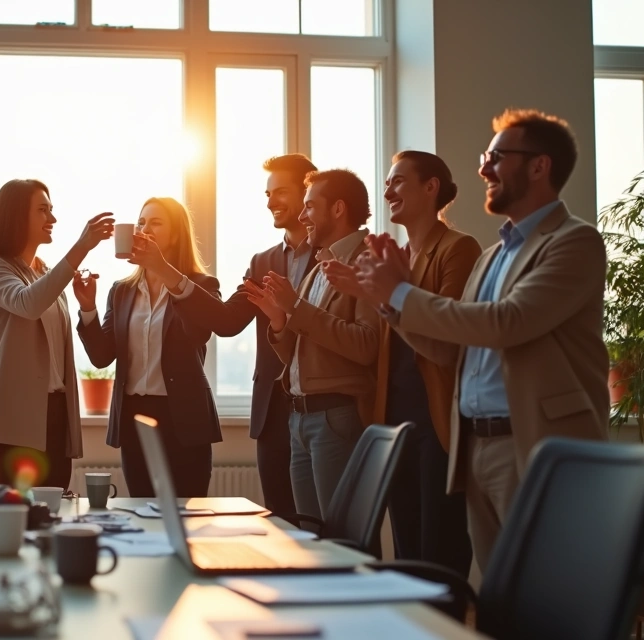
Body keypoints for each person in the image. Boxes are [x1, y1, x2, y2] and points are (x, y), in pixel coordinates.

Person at [349, 109, 608, 569]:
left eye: (496, 157)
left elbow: (507, 322)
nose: (484, 169)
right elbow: (450, 349)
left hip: (532, 443)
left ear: (539, 166)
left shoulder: (574, 241)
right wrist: (390, 305)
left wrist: (400, 293)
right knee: (497, 595)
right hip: (475, 446)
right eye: (485, 158)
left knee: (544, 586)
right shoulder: (492, 256)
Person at [323, 151, 479, 576]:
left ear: (431, 187)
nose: (388, 191)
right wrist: (370, 292)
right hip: (395, 418)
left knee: (439, 550)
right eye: (388, 183)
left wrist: (390, 292)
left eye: (398, 181)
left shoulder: (458, 248)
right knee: (406, 550)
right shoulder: (398, 255)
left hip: (437, 418)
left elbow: (449, 333)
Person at [170, 154, 318, 514]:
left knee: (324, 521)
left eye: (280, 192)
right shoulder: (262, 262)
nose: (270, 202)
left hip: (322, 406)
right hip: (273, 411)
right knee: (280, 519)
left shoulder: (333, 256)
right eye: (267, 194)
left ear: (308, 192)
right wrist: (174, 280)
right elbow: (227, 322)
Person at [242, 169, 379, 520]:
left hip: (335, 418)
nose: (302, 216)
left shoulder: (368, 261)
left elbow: (366, 345)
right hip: (300, 419)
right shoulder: (319, 268)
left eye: (309, 207)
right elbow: (297, 354)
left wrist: (296, 308)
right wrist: (278, 320)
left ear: (338, 209)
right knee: (310, 536)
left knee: (340, 536)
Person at [0, 179, 113, 490]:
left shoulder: (44, 271)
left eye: (51, 209)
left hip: (55, 414)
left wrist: (86, 304)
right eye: (43, 210)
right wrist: (82, 246)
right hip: (14, 418)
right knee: (17, 512)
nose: (52, 218)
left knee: (54, 512)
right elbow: (28, 304)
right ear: (16, 215)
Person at [73, 197, 221, 497]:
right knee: (141, 509)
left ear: (176, 235)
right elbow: (101, 357)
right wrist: (88, 308)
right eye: (141, 222)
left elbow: (198, 334)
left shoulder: (200, 286)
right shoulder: (122, 291)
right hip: (135, 419)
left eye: (156, 222)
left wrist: (165, 272)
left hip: (184, 418)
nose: (144, 228)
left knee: (186, 512)